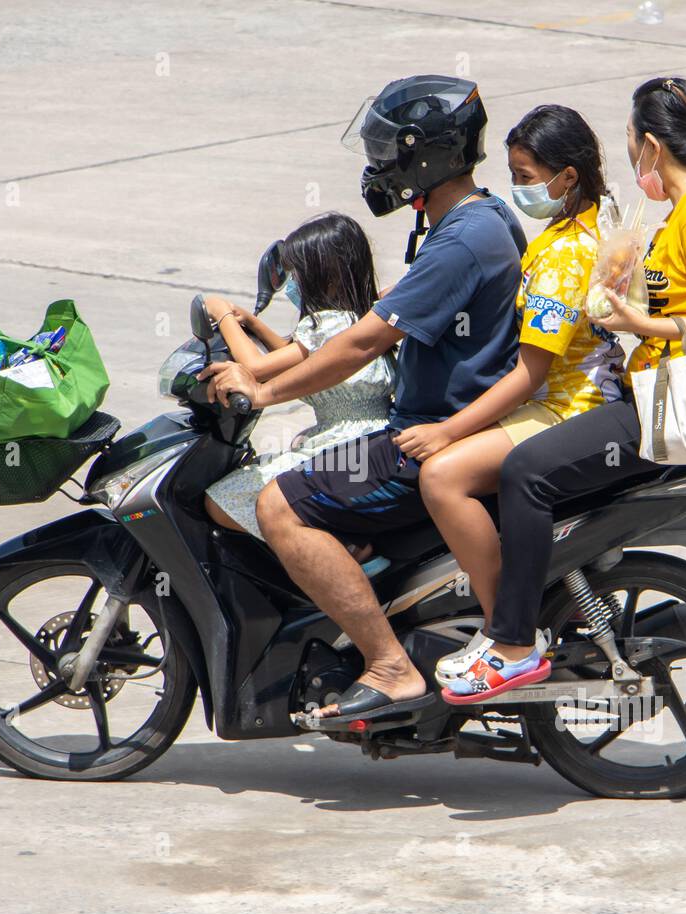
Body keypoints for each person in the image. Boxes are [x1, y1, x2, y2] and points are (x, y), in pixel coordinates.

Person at [203, 75, 526, 721]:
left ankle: (389, 665)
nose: (379, 169)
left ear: (424, 156)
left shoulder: (462, 239)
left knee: (280, 504)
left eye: (387, 154)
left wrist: (262, 388)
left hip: (429, 435)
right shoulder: (481, 220)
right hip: (441, 424)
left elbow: (359, 345)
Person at [448, 76, 686, 701]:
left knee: (526, 472)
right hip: (652, 391)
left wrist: (640, 323)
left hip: (666, 404)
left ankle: (512, 644)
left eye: (626, 135)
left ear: (649, 144)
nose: (623, 148)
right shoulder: (683, 213)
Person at [387, 105, 624, 697]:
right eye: (513, 174)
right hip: (561, 399)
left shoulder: (567, 253)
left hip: (568, 407)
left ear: (567, 177)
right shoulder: (575, 230)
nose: (517, 188)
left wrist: (446, 433)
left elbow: (529, 372)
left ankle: (506, 639)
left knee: (442, 477)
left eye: (526, 176)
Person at [202, 213, 394, 539]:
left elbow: (257, 368)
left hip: (341, 444)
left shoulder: (327, 323)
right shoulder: (359, 318)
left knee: (221, 500)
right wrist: (252, 321)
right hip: (370, 438)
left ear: (326, 276)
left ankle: (335, 548)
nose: (293, 282)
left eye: (297, 274)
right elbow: (296, 360)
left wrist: (221, 315)